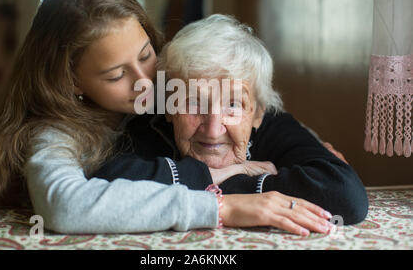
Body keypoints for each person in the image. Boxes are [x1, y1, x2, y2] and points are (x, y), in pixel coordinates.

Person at [0, 0, 334, 236]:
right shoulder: (56, 132)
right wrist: (222, 202)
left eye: (146, 55)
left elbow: (242, 101)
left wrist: (311, 142)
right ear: (72, 81)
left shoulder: (164, 84)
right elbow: (64, 206)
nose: (145, 81)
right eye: (114, 75)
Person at [94, 14, 369, 226]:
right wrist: (227, 175)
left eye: (233, 105)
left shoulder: (273, 125)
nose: (213, 129)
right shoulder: (153, 125)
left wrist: (233, 186)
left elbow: (345, 195)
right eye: (192, 102)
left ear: (258, 111)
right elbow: (105, 180)